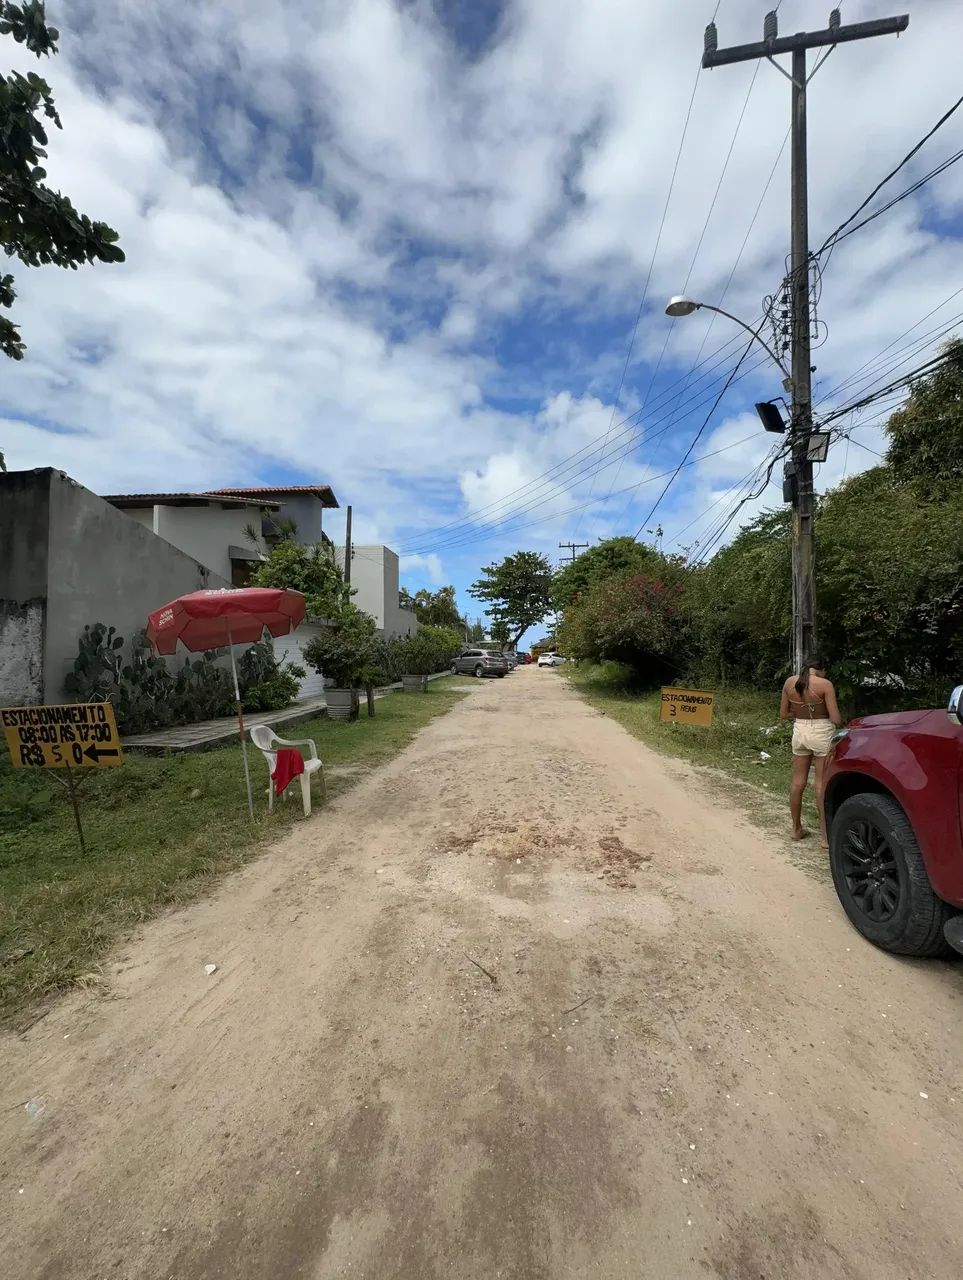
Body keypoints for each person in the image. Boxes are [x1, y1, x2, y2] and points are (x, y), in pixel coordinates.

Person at [779, 652, 842, 846]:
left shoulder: (790, 682)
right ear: (822, 668)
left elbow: (783, 714)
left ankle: (796, 829)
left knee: (797, 783)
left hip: (799, 731)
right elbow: (836, 719)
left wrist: (800, 713)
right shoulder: (825, 685)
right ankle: (825, 837)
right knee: (821, 783)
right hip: (821, 731)